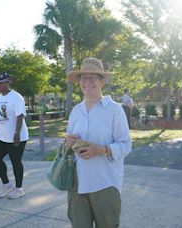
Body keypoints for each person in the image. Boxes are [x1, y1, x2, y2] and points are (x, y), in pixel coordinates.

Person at [65, 58, 132, 228]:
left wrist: (101, 150)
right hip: (77, 184)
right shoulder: (76, 111)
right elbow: (69, 144)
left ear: (103, 81)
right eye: (83, 78)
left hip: (105, 183)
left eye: (92, 78)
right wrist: (68, 143)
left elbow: (125, 144)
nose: (87, 82)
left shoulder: (115, 110)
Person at [0, 72, 29, 199]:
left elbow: (20, 115)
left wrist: (17, 133)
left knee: (15, 162)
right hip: (1, 136)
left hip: (15, 136)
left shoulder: (16, 97)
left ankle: (19, 188)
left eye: (1, 83)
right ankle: (6, 184)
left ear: (8, 82)